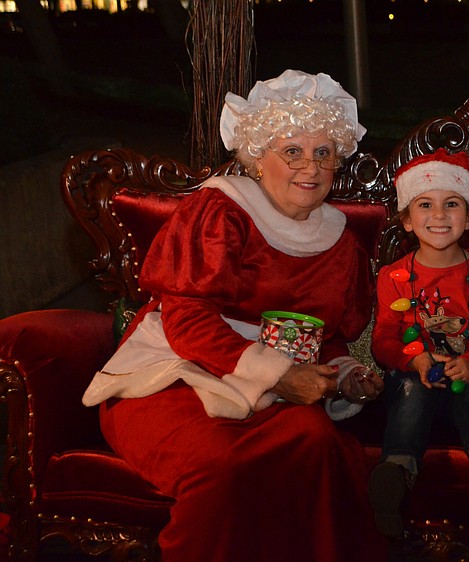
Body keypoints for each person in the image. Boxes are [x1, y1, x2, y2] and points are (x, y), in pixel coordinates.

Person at [81, 70, 387, 562]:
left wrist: (346, 375)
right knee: (221, 465)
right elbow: (187, 320)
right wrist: (281, 375)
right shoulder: (220, 212)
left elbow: (325, 340)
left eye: (323, 153)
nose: (309, 167)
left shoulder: (342, 242)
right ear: (258, 157)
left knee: (318, 444)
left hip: (271, 395)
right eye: (292, 151)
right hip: (172, 375)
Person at [368, 149, 469, 537]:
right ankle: (396, 476)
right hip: (413, 375)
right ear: (406, 220)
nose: (439, 215)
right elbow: (383, 339)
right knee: (409, 394)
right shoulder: (393, 277)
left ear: (467, 218)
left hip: (466, 373)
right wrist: (416, 359)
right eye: (425, 205)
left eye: (451, 204)